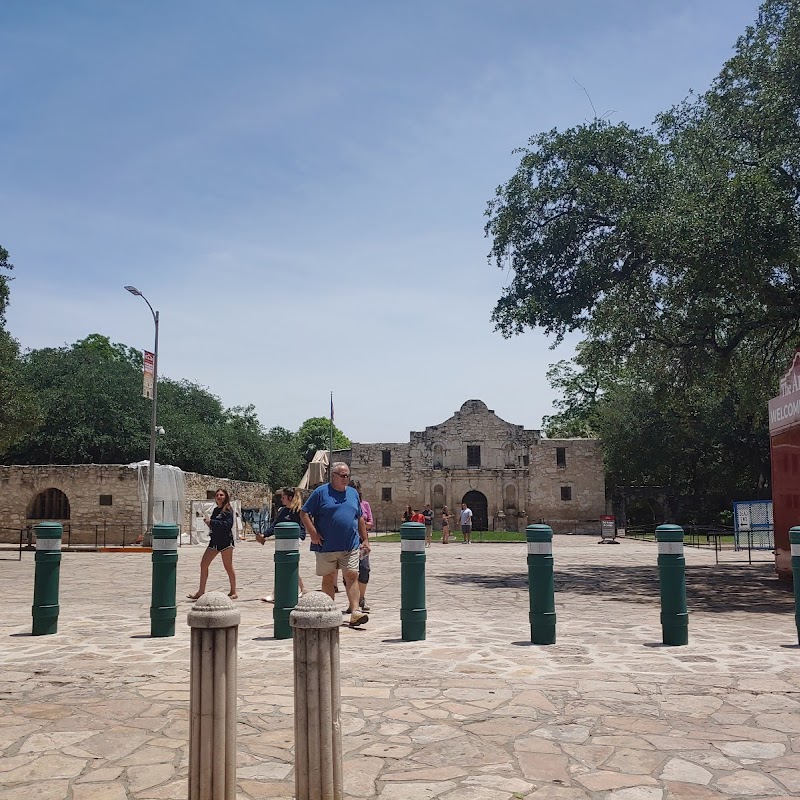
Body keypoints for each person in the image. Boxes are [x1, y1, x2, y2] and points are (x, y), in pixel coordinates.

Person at [300, 462, 370, 628]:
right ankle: (329, 611)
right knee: (329, 577)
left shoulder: (353, 494)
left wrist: (365, 539)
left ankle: (355, 612)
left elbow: (359, 517)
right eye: (343, 476)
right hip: (326, 545)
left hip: (350, 545)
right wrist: (313, 533)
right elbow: (304, 513)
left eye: (348, 476)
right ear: (333, 476)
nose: (346, 479)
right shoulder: (320, 493)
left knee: (352, 575)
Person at [257, 487, 307, 603]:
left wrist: (298, 539)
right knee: (287, 566)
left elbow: (302, 528)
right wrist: (264, 535)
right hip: (282, 542)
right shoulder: (282, 511)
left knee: (284, 566)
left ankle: (275, 594)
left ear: (290, 497)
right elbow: (274, 526)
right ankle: (303, 588)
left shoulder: (299, 511)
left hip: (294, 541)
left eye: (283, 497)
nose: (282, 499)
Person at [188, 488, 237, 600]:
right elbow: (215, 525)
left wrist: (213, 522)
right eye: (217, 495)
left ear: (225, 497)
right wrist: (208, 523)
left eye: (221, 495)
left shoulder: (228, 510)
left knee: (228, 566)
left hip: (225, 542)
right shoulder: (215, 510)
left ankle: (233, 591)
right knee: (204, 564)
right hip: (214, 541)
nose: (219, 497)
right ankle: (201, 591)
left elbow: (227, 525)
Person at [348, 478, 373, 613]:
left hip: (362, 541)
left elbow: (370, 522)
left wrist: (362, 524)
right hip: (348, 540)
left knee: (364, 569)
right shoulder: (345, 504)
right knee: (350, 572)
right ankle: (353, 602)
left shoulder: (365, 505)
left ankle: (361, 598)